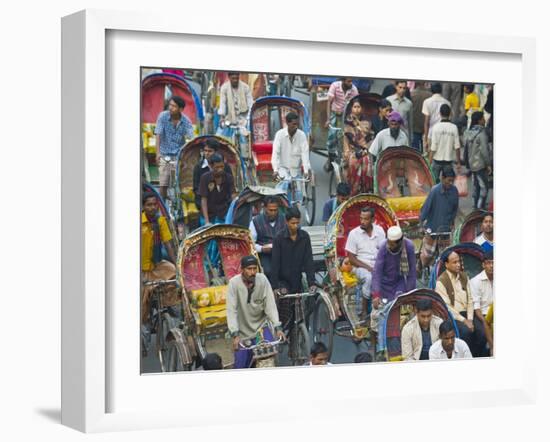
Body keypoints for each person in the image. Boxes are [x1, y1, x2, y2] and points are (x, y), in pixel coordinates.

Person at [226, 255, 285, 369]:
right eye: (249, 269)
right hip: (242, 333)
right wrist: (235, 334)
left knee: (269, 360)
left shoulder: (262, 280)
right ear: (242, 270)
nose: (252, 272)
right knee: (240, 366)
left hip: (260, 329)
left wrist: (278, 328)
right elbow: (231, 310)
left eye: (254, 268)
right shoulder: (234, 283)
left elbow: (270, 305)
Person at [435, 251, 487, 357]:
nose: (458, 264)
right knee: (466, 332)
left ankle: (476, 356)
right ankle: (467, 357)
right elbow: (447, 307)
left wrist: (470, 319)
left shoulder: (464, 276)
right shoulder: (441, 281)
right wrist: (465, 321)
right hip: (455, 317)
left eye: (459, 261)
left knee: (482, 332)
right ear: (446, 264)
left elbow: (470, 300)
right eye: (454, 262)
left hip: (468, 314)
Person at [271, 208, 316, 323]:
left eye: (297, 223)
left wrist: (312, 283)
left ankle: (301, 331)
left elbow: (308, 261)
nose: (295, 226)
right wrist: (275, 286)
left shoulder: (305, 237)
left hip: (297, 278)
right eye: (292, 223)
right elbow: (275, 264)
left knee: (307, 303)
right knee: (285, 304)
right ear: (286, 222)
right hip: (283, 280)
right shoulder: (279, 238)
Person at [141, 192, 178, 324]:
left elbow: (168, 244)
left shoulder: (160, 221)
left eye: (154, 204)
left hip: (156, 264)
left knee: (173, 270)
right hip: (141, 268)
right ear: (143, 206)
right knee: (142, 309)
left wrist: (177, 263)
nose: (152, 207)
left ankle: (168, 303)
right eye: (148, 205)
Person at [371, 226, 416, 335]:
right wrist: (376, 294)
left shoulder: (409, 246)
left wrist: (411, 294)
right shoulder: (383, 247)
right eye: (389, 242)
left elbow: (412, 272)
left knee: (403, 313)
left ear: (400, 242)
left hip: (399, 283)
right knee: (376, 316)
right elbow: (377, 272)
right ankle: (374, 341)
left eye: (392, 244)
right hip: (384, 283)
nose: (389, 245)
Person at [345, 207, 386, 318]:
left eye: (365, 219)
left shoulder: (380, 231)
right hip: (359, 267)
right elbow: (352, 259)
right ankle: (363, 310)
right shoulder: (354, 234)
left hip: (378, 265)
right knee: (369, 278)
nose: (362, 221)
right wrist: (368, 267)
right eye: (361, 218)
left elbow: (384, 251)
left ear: (372, 219)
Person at [154, 95, 194, 199]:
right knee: (163, 183)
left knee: (182, 182)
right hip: (164, 153)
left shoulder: (186, 121)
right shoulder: (162, 116)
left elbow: (191, 137)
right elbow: (158, 134)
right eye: (170, 105)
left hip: (179, 154)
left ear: (180, 109)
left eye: (174, 106)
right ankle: (163, 205)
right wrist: (158, 153)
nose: (170, 108)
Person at [419, 168, 459, 268]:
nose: (450, 183)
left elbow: (455, 208)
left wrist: (452, 223)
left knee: (446, 256)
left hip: (446, 230)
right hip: (432, 228)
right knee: (427, 256)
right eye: (448, 180)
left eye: (452, 181)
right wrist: (421, 225)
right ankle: (420, 267)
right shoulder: (435, 191)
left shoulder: (454, 191)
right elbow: (425, 209)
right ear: (442, 178)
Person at [271, 112, 312, 203]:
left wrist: (306, 170)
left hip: (296, 169)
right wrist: (275, 170)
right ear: (287, 123)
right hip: (283, 169)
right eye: (294, 124)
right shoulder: (279, 134)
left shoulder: (301, 135)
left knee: (299, 196)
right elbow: (275, 153)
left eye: (297, 124)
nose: (296, 126)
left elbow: (305, 154)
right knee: (282, 189)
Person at [249, 196, 286, 283]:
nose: (273, 213)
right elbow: (250, 243)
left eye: (275, 210)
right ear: (264, 208)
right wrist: (262, 249)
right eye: (270, 210)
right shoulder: (255, 221)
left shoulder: (284, 219)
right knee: (268, 271)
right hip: (265, 255)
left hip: (283, 253)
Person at [343, 99, 375, 194]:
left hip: (365, 149)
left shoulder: (367, 120)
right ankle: (353, 190)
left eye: (358, 107)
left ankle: (366, 190)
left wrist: (358, 124)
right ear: (352, 109)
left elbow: (369, 134)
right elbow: (345, 137)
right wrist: (347, 151)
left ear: (361, 109)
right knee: (352, 163)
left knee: (368, 165)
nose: (357, 109)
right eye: (355, 107)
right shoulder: (347, 121)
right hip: (352, 149)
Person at [192, 138, 233, 211]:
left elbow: (229, 186)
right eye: (205, 150)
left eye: (210, 151)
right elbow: (196, 188)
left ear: (216, 152)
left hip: (223, 204)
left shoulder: (225, 167)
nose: (207, 153)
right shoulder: (198, 167)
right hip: (204, 203)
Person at [198, 153, 237, 226]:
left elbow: (233, 197)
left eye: (222, 166)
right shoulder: (205, 178)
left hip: (223, 214)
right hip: (208, 215)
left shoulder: (229, 178)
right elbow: (204, 200)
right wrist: (207, 222)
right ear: (211, 166)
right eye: (217, 167)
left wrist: (235, 216)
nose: (220, 169)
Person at [464, 111, 492, 210]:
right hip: (480, 164)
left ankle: (475, 206)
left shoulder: (468, 132)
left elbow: (466, 149)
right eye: (483, 118)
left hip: (472, 164)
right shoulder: (482, 133)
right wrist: (489, 164)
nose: (484, 120)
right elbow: (484, 151)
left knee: (476, 187)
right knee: (484, 188)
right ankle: (480, 208)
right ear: (479, 120)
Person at [428, 104, 461, 183]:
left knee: (434, 184)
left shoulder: (436, 127)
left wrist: (429, 162)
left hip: (437, 161)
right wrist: (459, 162)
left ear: (440, 113)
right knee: (448, 184)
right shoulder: (454, 127)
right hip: (448, 162)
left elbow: (433, 147)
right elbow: (457, 147)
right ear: (450, 114)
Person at [470, 251, 494, 356]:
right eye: (488, 263)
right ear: (483, 265)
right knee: (482, 334)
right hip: (481, 314)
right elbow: (476, 307)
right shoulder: (476, 281)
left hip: (494, 313)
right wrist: (485, 322)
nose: (492, 266)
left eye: (494, 263)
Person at [216, 72, 253, 139]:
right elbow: (222, 104)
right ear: (229, 77)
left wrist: (248, 119)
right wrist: (222, 117)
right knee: (219, 137)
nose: (235, 80)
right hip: (230, 119)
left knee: (247, 139)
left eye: (237, 78)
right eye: (233, 78)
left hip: (244, 119)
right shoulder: (224, 88)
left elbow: (250, 104)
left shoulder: (246, 87)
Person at [422, 83, 451, 153]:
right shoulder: (447, 103)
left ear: (431, 90)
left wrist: (425, 139)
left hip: (430, 134)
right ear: (441, 90)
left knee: (428, 159)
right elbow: (449, 120)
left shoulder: (427, 102)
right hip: (444, 135)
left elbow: (426, 122)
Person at [410, 81, 432, 152]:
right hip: (427, 124)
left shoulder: (412, 94)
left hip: (415, 124)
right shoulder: (430, 95)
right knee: (426, 148)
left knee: (415, 150)